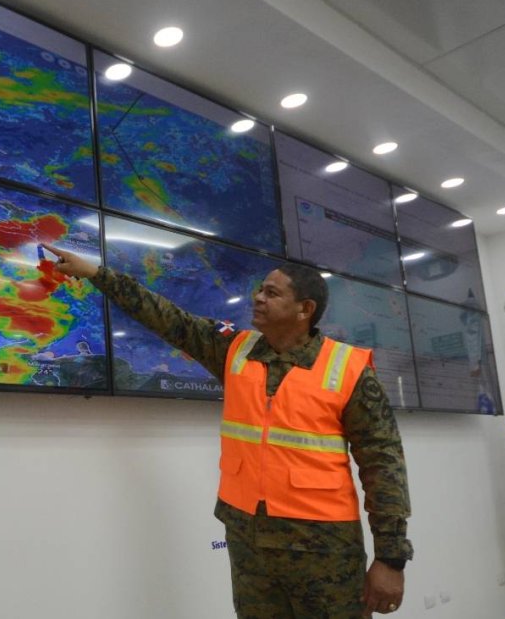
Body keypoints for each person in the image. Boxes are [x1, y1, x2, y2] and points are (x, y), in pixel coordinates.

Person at [44, 244, 411, 618]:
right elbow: (168, 318)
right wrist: (97, 274)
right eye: (260, 289)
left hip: (324, 550)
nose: (258, 297)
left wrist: (391, 557)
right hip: (249, 546)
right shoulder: (235, 350)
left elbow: (384, 466)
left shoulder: (348, 369)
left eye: (272, 293)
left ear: (305, 309)